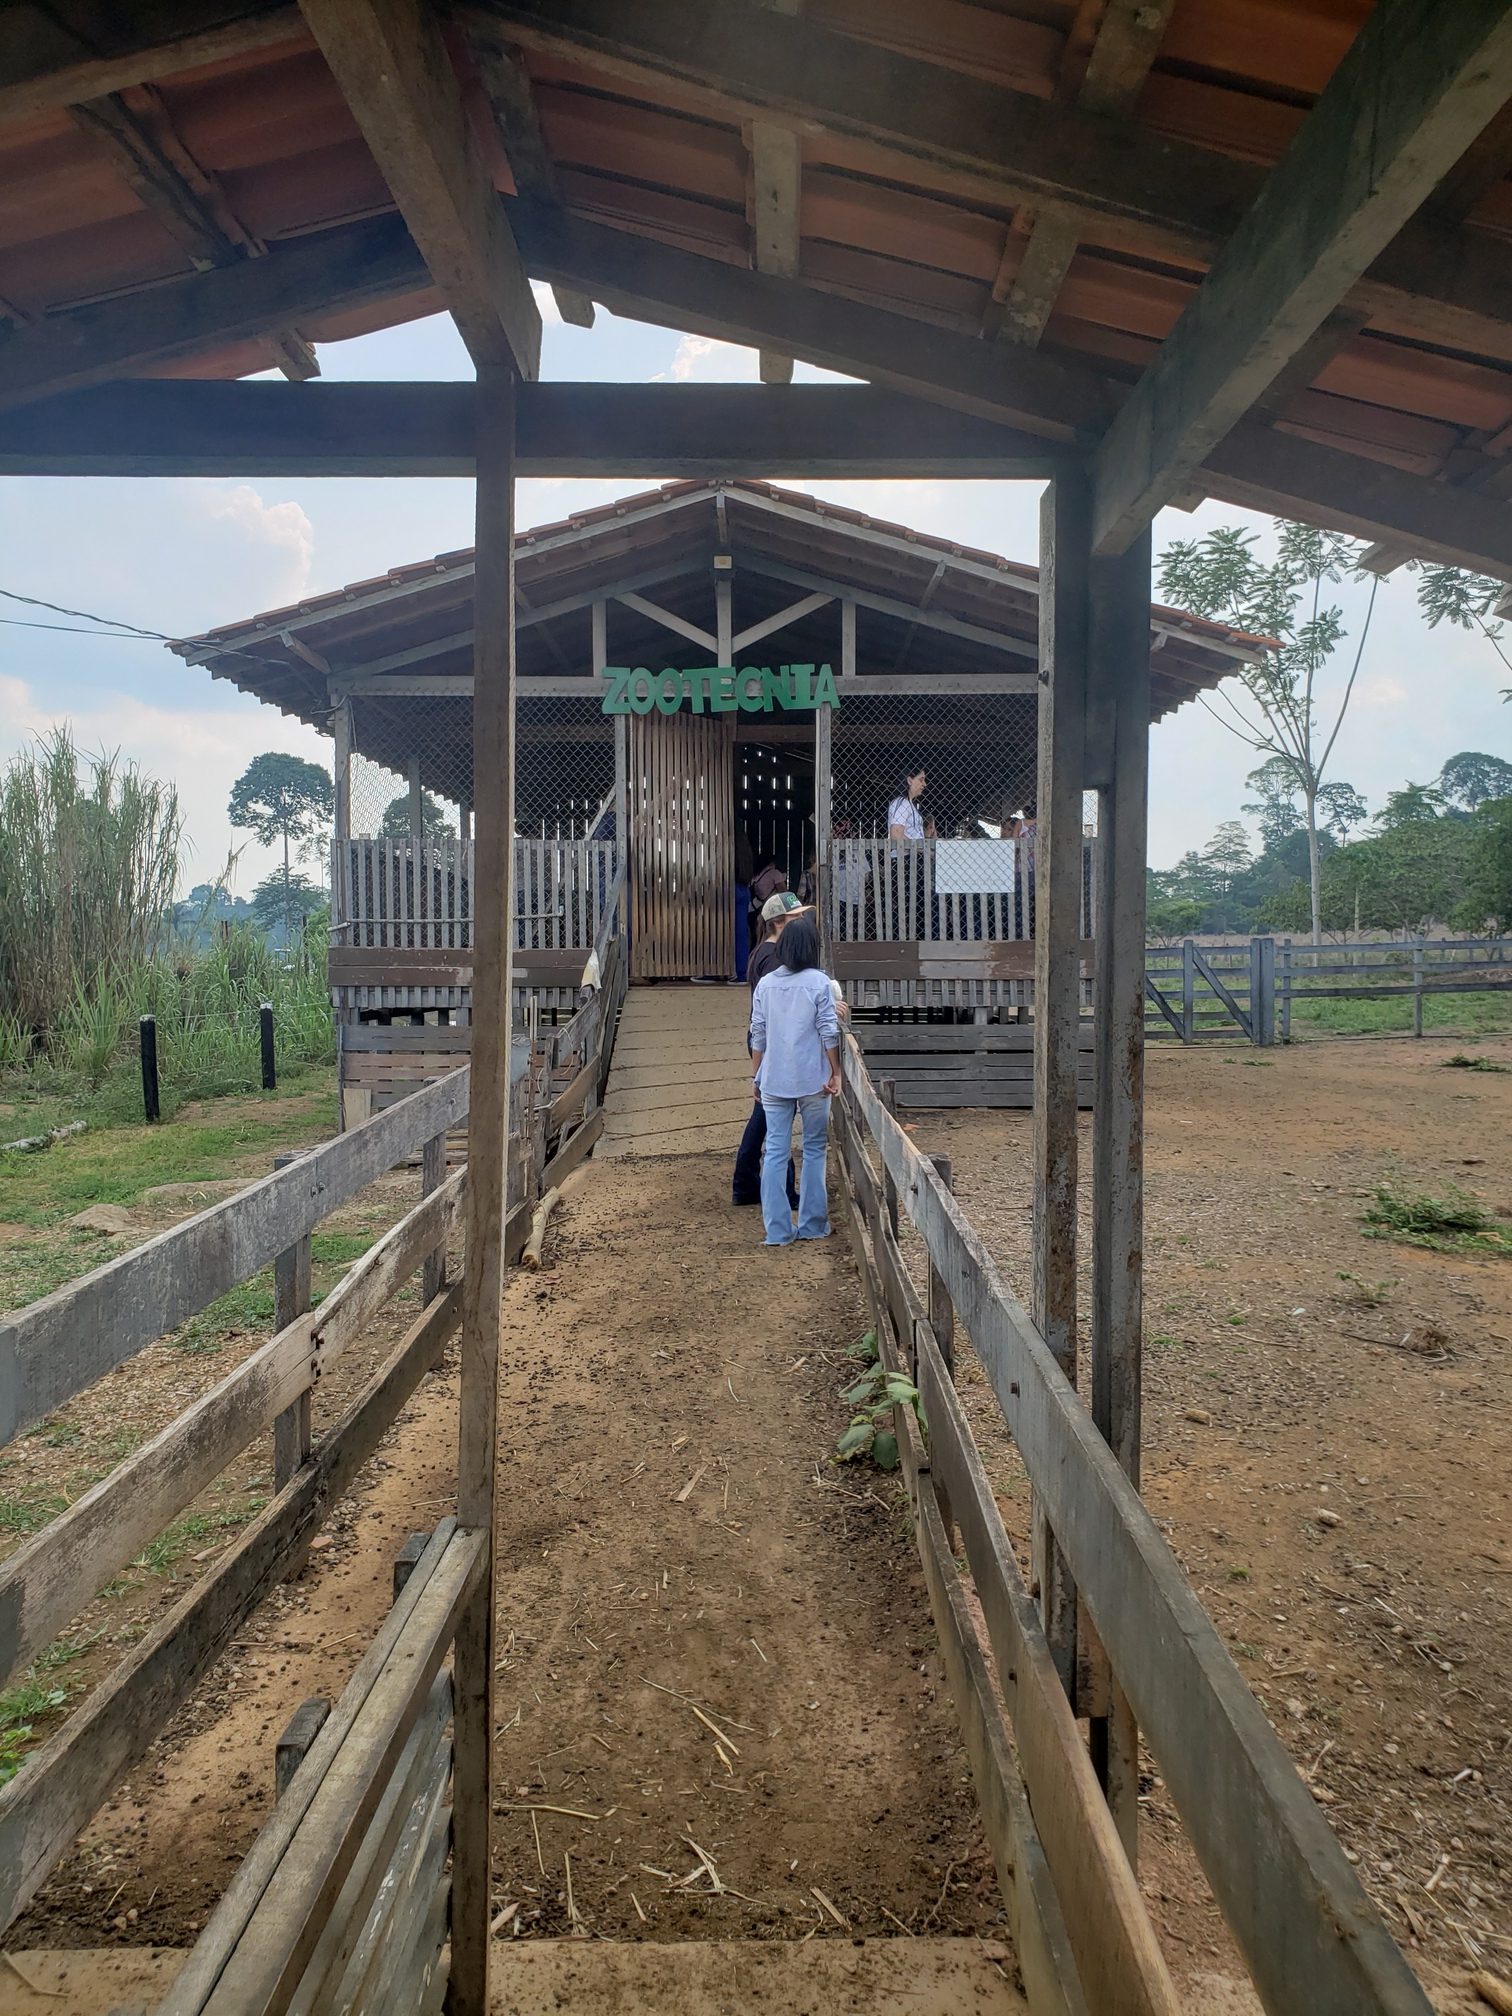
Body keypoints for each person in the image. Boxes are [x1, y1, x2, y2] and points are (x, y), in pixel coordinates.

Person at [749, 913, 841, 1246]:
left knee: (775, 1151)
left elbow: (758, 1033)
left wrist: (756, 1075)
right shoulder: (819, 982)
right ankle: (813, 1224)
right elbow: (828, 1030)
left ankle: (777, 1230)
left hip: (775, 1076)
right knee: (814, 1148)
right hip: (814, 1079)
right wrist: (836, 1071)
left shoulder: (766, 984)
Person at [731, 892, 807, 1207]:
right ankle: (780, 1190)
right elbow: (781, 1004)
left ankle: (746, 1183)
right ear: (778, 923)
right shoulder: (774, 957)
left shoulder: (764, 951)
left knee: (765, 1114)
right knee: (778, 1113)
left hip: (766, 1037)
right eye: (796, 917)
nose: (802, 921)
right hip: (774, 1039)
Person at [887, 767, 936, 843]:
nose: (924, 784)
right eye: (921, 780)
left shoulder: (909, 804)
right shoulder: (902, 803)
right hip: (906, 850)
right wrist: (917, 847)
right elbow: (896, 835)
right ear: (910, 781)